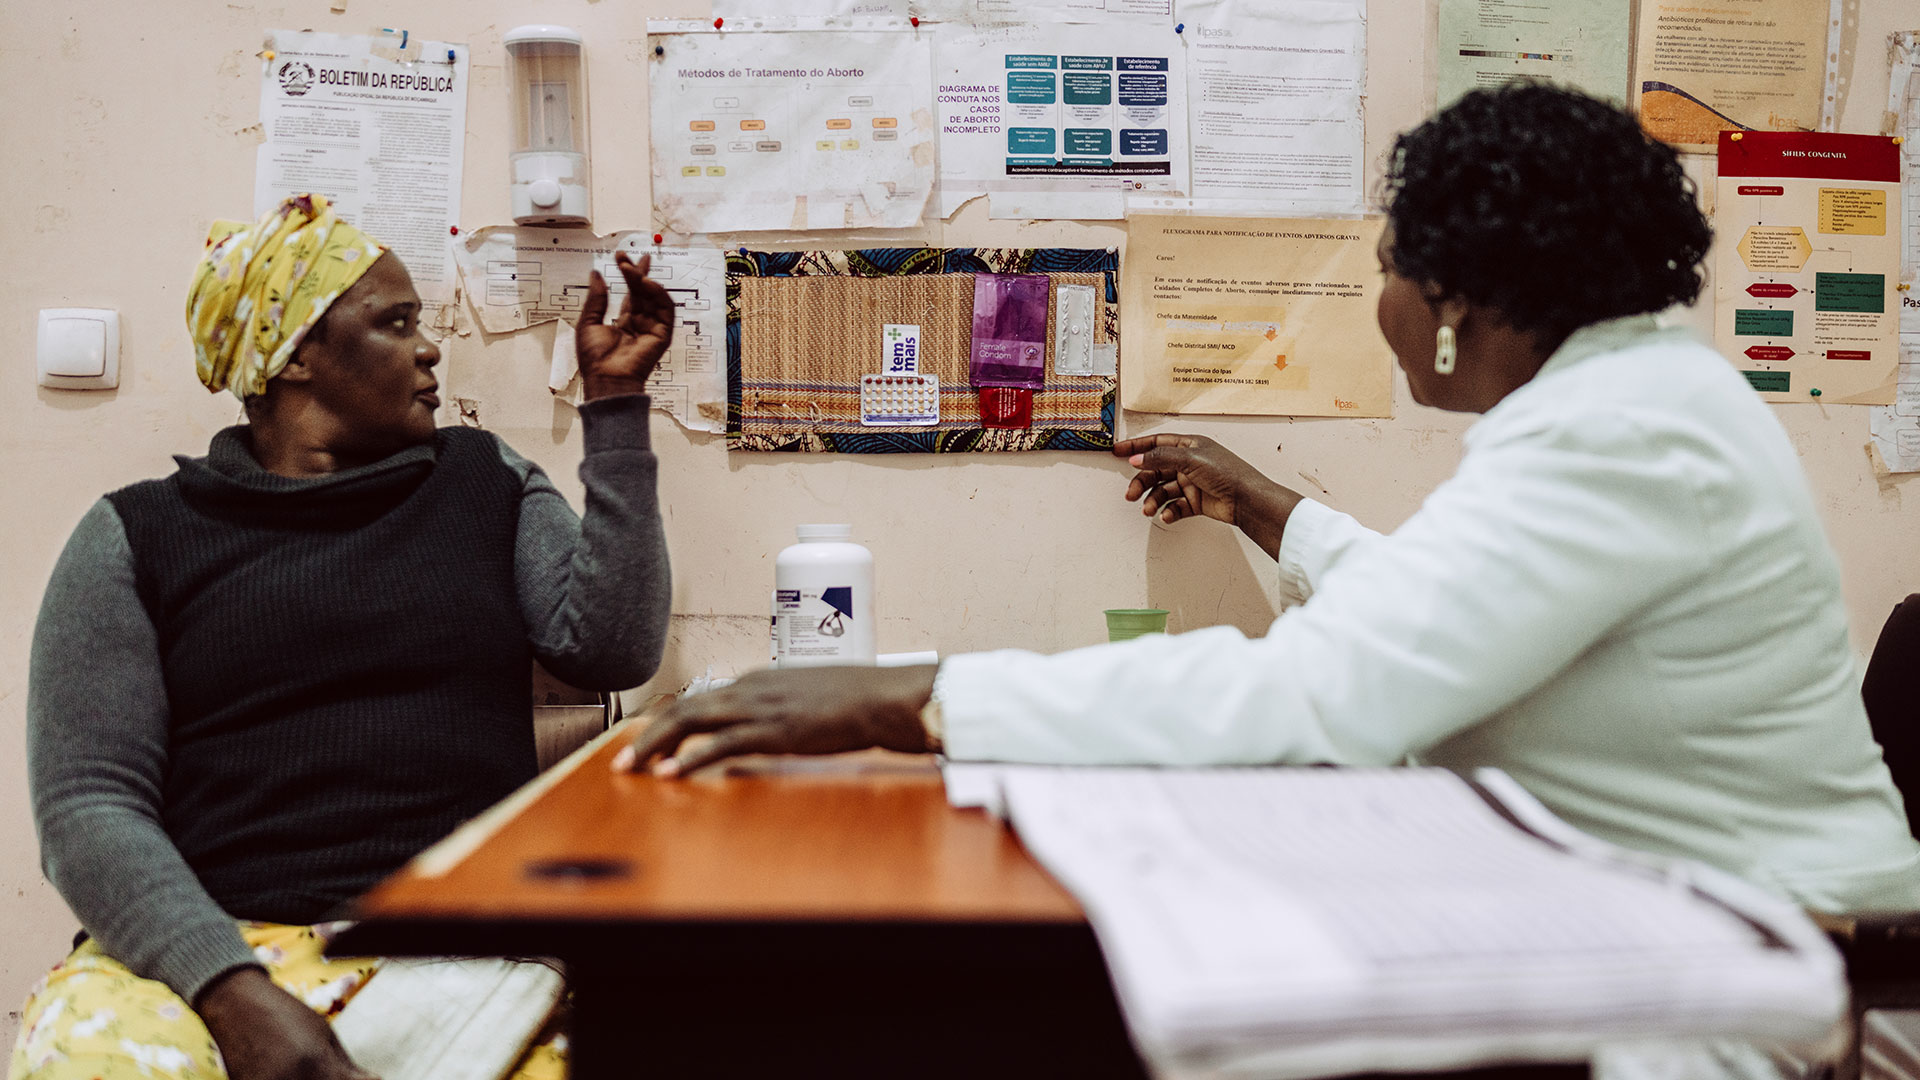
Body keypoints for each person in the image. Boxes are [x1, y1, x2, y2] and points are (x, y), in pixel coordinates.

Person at [620, 83, 1920, 915]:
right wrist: (1266, 506)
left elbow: (1330, 693)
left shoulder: (1626, 435)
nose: (1385, 304)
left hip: (1765, 940)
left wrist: (919, 695)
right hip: (1684, 907)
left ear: (1458, 305)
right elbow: (1441, 612)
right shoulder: (1635, 406)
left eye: (1392, 272)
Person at [12, 194, 674, 1080]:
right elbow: (87, 808)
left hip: (460, 944)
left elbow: (610, 648)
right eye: (396, 324)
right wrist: (234, 993)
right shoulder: (137, 535)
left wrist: (618, 404)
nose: (431, 347)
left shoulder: (484, 481)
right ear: (295, 358)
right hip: (208, 950)